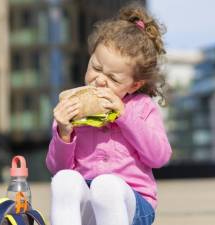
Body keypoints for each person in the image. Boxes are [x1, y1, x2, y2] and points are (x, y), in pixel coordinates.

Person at [46, 3, 172, 225]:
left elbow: (159, 156)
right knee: (63, 180)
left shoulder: (141, 107)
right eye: (95, 67)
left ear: (134, 85)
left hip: (133, 203)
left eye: (113, 79)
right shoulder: (74, 107)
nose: (100, 79)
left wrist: (123, 116)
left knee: (106, 185)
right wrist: (64, 133)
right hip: (87, 202)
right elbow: (57, 168)